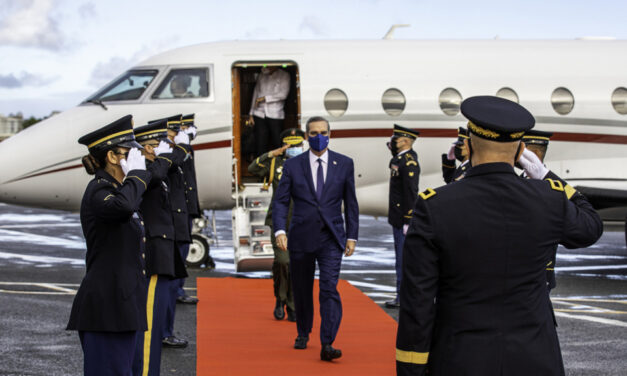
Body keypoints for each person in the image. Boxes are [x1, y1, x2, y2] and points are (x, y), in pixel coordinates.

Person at [396, 96, 603, 376]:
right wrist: (547, 176)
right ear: (520, 150)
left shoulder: (435, 206)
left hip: (461, 358)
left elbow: (417, 303)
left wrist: (412, 369)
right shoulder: (549, 199)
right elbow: (591, 226)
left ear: (467, 144)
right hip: (535, 358)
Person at [68, 115, 150, 376]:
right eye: (131, 152)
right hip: (107, 309)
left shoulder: (119, 190)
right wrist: (136, 176)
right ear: (113, 157)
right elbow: (124, 207)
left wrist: (135, 179)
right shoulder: (99, 191)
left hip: (123, 307)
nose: (139, 157)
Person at [273, 116, 359, 361]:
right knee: (301, 288)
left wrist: (352, 235)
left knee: (328, 289)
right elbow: (281, 202)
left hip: (331, 237)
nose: (318, 136)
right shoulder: (293, 165)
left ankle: (327, 342)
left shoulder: (344, 164)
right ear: (306, 136)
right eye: (313, 133)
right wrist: (280, 230)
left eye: (322, 132)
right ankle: (303, 331)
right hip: (301, 235)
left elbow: (350, 202)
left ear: (329, 134)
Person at [131, 120, 190, 376]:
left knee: (152, 329)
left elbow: (173, 166)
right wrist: (164, 157)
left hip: (163, 252)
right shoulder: (145, 172)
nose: (160, 150)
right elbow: (156, 174)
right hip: (154, 254)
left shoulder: (156, 170)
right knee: (148, 328)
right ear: (143, 149)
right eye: (154, 145)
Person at [248, 128, 306, 321]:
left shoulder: (308, 163)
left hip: (301, 221)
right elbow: (253, 169)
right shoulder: (275, 163)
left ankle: (291, 305)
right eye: (290, 145)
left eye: (297, 144)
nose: (294, 148)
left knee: (295, 265)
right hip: (279, 219)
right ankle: (280, 299)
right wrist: (272, 153)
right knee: (283, 262)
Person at [149, 114, 194, 348]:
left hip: (174, 227)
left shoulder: (165, 158)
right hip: (167, 231)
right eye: (173, 134)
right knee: (162, 290)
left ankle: (165, 330)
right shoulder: (159, 161)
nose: (176, 138)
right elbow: (174, 162)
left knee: (168, 288)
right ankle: (162, 332)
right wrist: (182, 146)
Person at [385, 124, 420, 308]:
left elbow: (411, 192)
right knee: (400, 258)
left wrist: (408, 219)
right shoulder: (400, 159)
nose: (393, 141)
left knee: (402, 259)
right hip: (397, 217)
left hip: (402, 219)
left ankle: (402, 296)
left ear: (406, 141)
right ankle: (400, 295)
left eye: (396, 139)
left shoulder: (409, 162)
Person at [247, 66, 290, 155]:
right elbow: (255, 94)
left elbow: (283, 94)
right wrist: (251, 113)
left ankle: (278, 165)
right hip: (259, 113)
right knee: (260, 142)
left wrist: (265, 98)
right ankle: (261, 165)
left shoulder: (284, 75)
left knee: (277, 141)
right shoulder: (261, 76)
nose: (266, 67)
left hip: (275, 114)